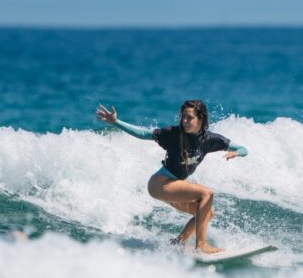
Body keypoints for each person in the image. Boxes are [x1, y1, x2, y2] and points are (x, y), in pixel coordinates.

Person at [96, 100, 248, 254]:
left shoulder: (209, 140)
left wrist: (236, 153)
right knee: (206, 194)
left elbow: (243, 149)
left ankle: (178, 242)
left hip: (174, 185)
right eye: (183, 117)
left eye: (189, 118)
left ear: (200, 119)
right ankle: (202, 245)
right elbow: (142, 134)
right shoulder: (173, 134)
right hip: (159, 183)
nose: (185, 121)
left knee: (207, 213)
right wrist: (116, 122)